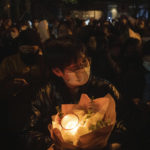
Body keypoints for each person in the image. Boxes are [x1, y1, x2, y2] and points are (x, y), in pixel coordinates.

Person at [23, 36, 123, 150]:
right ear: (57, 71)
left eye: (85, 62)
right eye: (75, 68)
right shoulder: (45, 94)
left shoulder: (104, 88)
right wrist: (53, 145)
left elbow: (126, 120)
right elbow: (28, 132)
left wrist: (109, 143)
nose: (83, 69)